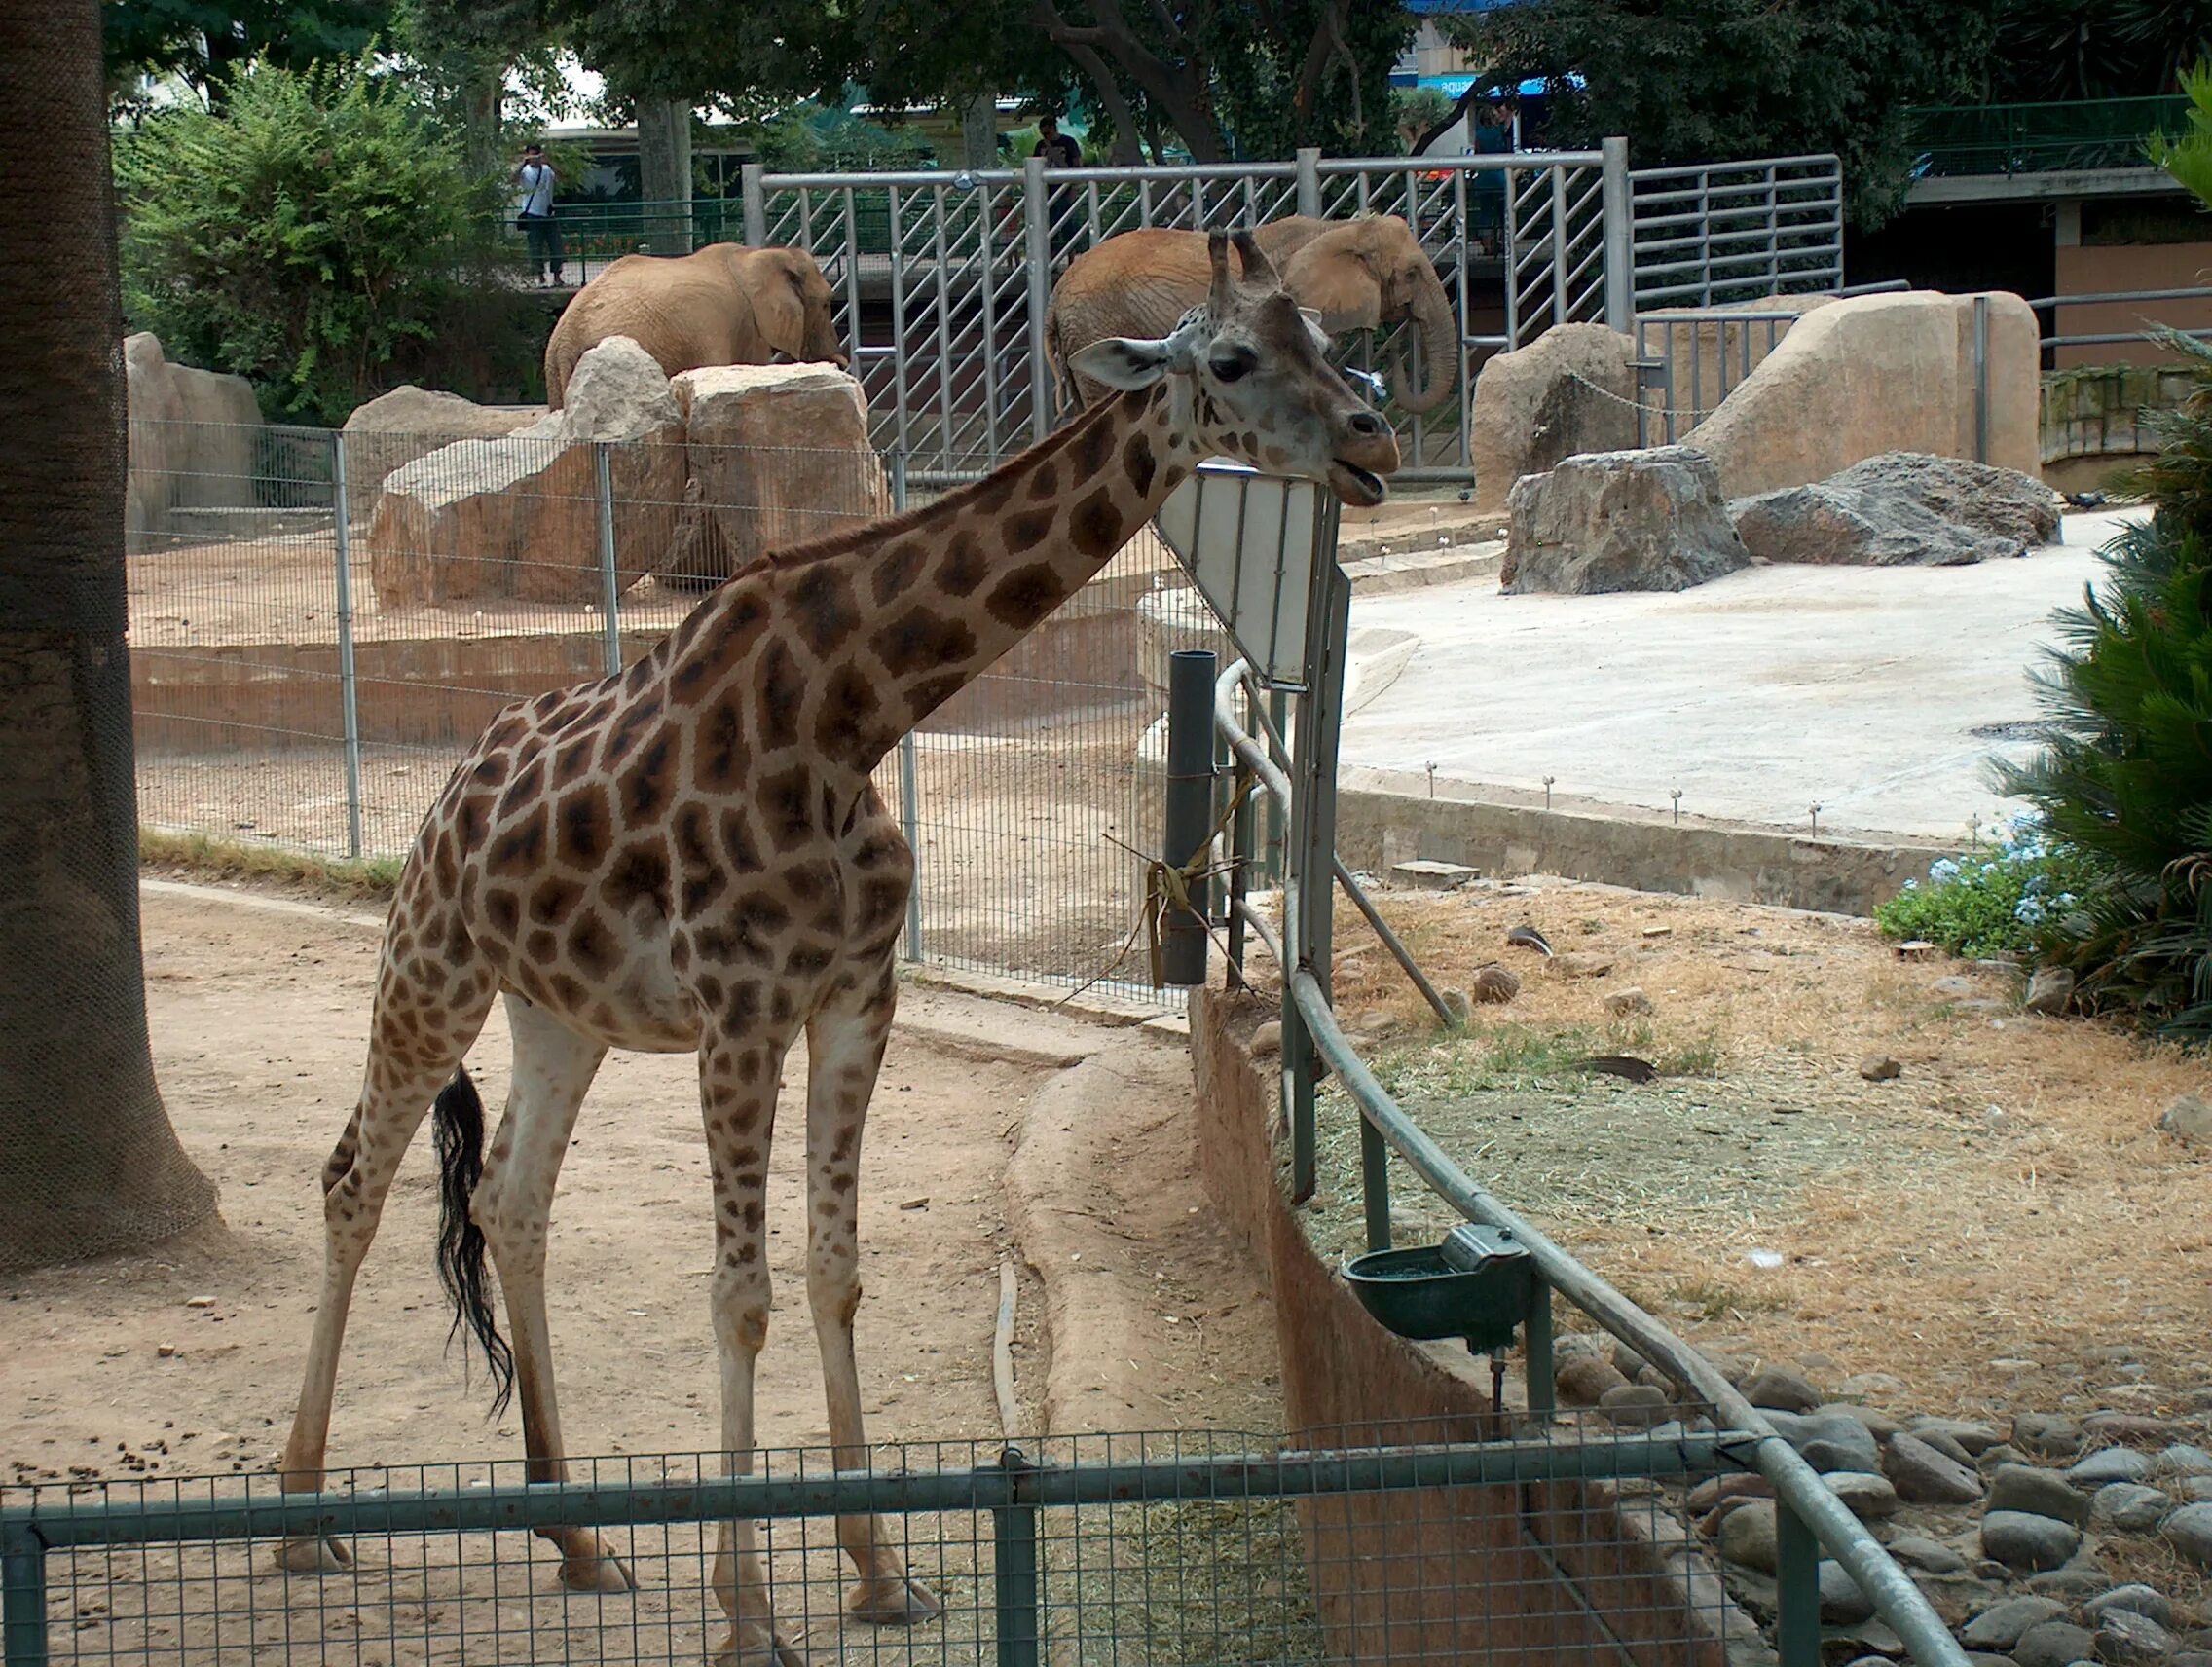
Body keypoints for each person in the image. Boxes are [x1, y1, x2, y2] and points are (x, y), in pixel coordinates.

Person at [514, 143, 566, 287]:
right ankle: (540, 277)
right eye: (532, 156)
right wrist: (523, 163)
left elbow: (562, 177)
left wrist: (549, 162)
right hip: (533, 214)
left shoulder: (547, 170)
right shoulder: (525, 172)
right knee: (536, 247)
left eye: (536, 156)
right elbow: (512, 179)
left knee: (556, 246)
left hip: (549, 214)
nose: (534, 160)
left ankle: (557, 276)